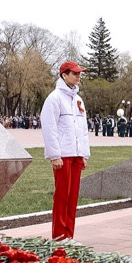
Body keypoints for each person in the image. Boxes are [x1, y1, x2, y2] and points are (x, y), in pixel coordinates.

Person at [40, 61, 91, 241]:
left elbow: (83, 129)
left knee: (73, 197)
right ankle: (60, 237)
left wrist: (84, 154)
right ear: (64, 75)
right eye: (75, 73)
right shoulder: (54, 98)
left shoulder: (78, 99)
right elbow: (49, 127)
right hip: (63, 156)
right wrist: (54, 155)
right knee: (62, 196)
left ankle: (69, 236)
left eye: (79, 73)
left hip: (76, 155)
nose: (78, 76)